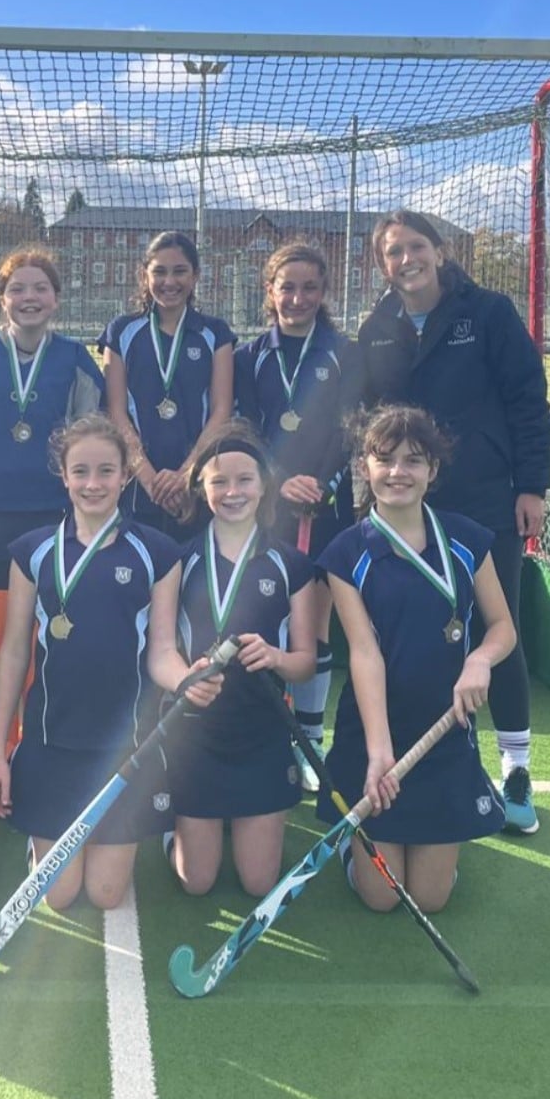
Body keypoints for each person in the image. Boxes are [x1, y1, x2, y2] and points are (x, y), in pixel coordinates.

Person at [358, 209, 550, 836]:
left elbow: (528, 399)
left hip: (483, 501)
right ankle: (403, 761)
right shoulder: (377, 327)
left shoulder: (488, 313)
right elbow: (364, 420)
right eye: (393, 252)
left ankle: (517, 769)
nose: (406, 260)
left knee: (501, 629)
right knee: (408, 636)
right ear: (381, 263)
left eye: (417, 247)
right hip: (404, 508)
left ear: (439, 252)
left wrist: (532, 486)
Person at [0, 414, 222, 911]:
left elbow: (160, 651)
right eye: (82, 471)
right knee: (60, 897)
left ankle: (124, 835)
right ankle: (42, 839)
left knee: (107, 895)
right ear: (63, 475)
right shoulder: (32, 552)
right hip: (51, 745)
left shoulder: (157, 553)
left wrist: (186, 679)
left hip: (123, 749)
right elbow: (13, 652)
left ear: (125, 475)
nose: (94, 484)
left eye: (106, 471)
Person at [317, 405, 515, 913]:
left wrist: (479, 662)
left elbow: (503, 629)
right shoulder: (346, 554)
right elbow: (364, 653)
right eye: (384, 460)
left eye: (413, 460)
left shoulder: (468, 540)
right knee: (381, 898)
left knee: (429, 899)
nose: (397, 472)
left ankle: (437, 853)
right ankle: (352, 842)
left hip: (444, 735)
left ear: (433, 470)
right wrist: (379, 753)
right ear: (365, 468)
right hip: (377, 733)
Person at [167, 423, 316, 896]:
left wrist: (275, 656)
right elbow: (162, 652)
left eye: (244, 479)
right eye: (218, 482)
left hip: (263, 734)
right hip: (197, 735)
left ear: (265, 484)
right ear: (200, 487)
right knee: (197, 882)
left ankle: (255, 822)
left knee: (258, 884)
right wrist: (183, 679)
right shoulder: (178, 559)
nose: (232, 492)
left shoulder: (290, 565)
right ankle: (178, 831)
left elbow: (306, 662)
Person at [234, 242, 364, 784]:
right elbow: (243, 428)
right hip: (269, 503)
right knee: (267, 616)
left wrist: (324, 484)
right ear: (270, 291)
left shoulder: (343, 352)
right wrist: (277, 481)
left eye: (310, 287)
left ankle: (311, 737)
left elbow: (353, 428)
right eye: (287, 287)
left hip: (327, 502)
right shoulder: (249, 356)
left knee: (316, 621)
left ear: (324, 292)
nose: (298, 297)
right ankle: (269, 729)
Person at [0, 248, 105, 588]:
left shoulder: (76, 361)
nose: (29, 297)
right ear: (2, 299)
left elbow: (93, 444)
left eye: (41, 288)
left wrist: (87, 518)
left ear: (56, 299)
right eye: (17, 289)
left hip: (57, 515)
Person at [99, 231, 235, 538]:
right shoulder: (121, 332)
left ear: (196, 275)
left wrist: (186, 474)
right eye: (159, 271)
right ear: (144, 274)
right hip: (136, 485)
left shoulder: (215, 333)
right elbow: (116, 413)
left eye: (180, 271)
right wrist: (149, 480)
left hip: (196, 485)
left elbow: (221, 411)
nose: (169, 282)